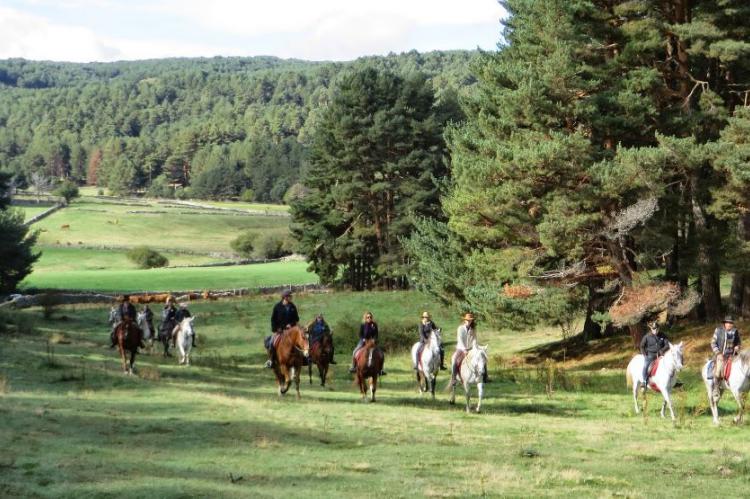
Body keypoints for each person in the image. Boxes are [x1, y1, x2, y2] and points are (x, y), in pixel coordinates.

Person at [450, 312, 489, 385]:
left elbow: (474, 339)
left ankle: (485, 377)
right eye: (467, 320)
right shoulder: (460, 328)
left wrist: (476, 347)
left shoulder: (473, 329)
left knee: (481, 358)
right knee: (455, 359)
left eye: (470, 320)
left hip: (471, 348)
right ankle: (454, 378)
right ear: (465, 320)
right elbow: (460, 340)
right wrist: (464, 349)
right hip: (461, 348)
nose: (469, 322)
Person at [265, 289, 300, 368]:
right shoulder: (277, 307)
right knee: (271, 343)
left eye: (291, 296)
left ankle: (303, 359)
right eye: (289, 296)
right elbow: (273, 319)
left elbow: (296, 319)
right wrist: (276, 329)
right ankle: (271, 360)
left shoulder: (292, 306)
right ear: (285, 297)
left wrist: (291, 325)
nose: (291, 297)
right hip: (279, 331)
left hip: (291, 331)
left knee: (301, 341)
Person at [711, 315, 741, 397]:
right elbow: (713, 343)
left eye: (731, 323)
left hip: (733, 355)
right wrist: (718, 353)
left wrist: (737, 346)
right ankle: (716, 388)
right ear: (724, 323)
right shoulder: (718, 330)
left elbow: (738, 342)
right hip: (721, 355)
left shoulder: (735, 331)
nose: (729, 324)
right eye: (728, 323)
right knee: (719, 369)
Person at [639, 320, 669, 386]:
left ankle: (675, 380)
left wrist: (662, 350)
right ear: (651, 329)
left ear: (659, 328)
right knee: (646, 366)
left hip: (661, 355)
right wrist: (644, 354)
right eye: (653, 329)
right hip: (650, 355)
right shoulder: (647, 336)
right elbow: (641, 346)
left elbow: (667, 345)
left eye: (656, 329)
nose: (655, 331)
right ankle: (644, 381)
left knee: (670, 364)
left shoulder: (663, 335)